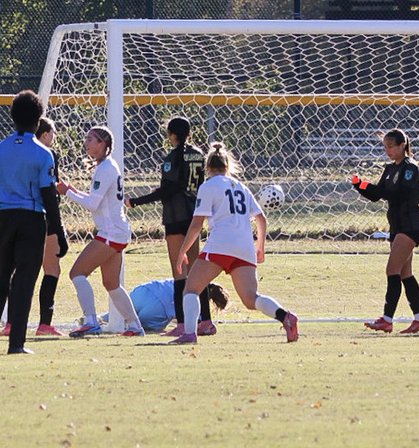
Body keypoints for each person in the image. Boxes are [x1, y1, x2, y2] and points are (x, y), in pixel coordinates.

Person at [171, 142, 299, 345]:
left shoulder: (208, 186)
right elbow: (262, 219)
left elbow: (196, 224)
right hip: (244, 246)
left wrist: (182, 252)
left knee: (191, 289)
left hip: (221, 244)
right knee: (251, 299)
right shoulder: (242, 187)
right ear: (227, 166)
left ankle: (189, 334)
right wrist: (260, 247)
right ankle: (286, 317)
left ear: (208, 168)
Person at [0, 90, 67, 355]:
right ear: (38, 121)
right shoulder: (43, 154)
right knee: (25, 281)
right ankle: (16, 343)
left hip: (5, 220)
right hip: (31, 220)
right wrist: (58, 233)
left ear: (12, 117)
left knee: (0, 279)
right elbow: (48, 197)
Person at [126, 116, 213, 336]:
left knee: (179, 271)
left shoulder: (172, 157)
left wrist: (136, 201)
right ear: (189, 133)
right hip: (194, 215)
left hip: (176, 216)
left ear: (171, 135)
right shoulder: (198, 155)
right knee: (195, 270)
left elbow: (169, 190)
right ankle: (206, 321)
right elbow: (194, 184)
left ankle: (183, 323)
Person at [61, 126, 144, 338]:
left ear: (103, 144)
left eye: (91, 139)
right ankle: (134, 326)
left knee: (77, 273)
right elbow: (95, 200)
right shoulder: (107, 166)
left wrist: (68, 192)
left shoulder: (105, 168)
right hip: (117, 231)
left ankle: (90, 321)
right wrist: (72, 189)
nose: (86, 142)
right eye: (87, 138)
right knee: (111, 283)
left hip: (110, 233)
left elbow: (92, 204)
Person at [353, 128, 419, 334]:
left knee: (392, 270)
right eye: (385, 147)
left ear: (402, 145)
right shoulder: (389, 169)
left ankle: (387, 319)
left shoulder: (410, 168)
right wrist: (360, 184)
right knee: (405, 274)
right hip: (397, 227)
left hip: (409, 226)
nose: (387, 150)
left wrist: (384, 191)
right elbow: (378, 193)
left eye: (391, 146)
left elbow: (400, 192)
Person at [0, 117, 69, 337]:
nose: (54, 138)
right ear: (46, 134)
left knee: (20, 271)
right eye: (53, 133)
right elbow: (48, 190)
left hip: (15, 216)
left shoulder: (13, 153)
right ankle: (44, 325)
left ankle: (11, 323)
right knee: (52, 269)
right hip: (43, 217)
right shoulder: (47, 155)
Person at [129, 279, 229, 333]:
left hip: (140, 291)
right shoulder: (196, 298)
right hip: (157, 308)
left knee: (124, 320)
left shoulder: (180, 281)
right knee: (149, 328)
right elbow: (199, 325)